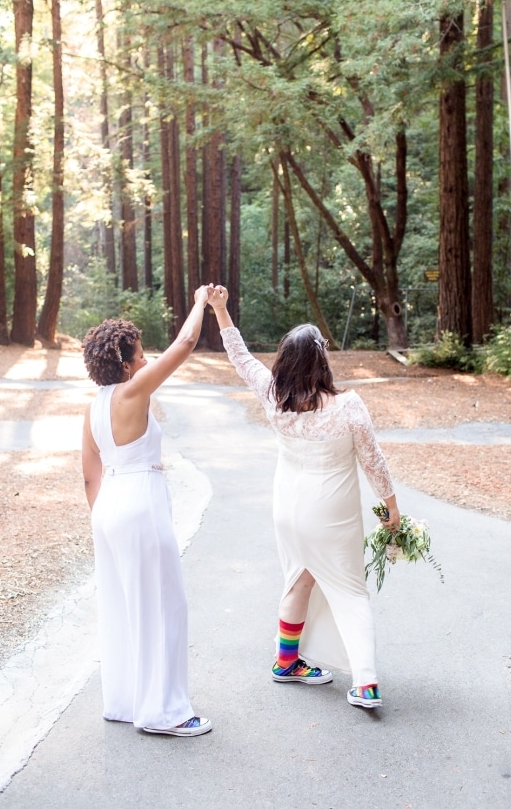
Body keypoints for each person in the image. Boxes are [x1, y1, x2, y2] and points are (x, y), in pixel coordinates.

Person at [207, 285, 401, 709]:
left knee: (300, 576)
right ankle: (366, 684)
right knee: (350, 590)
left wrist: (220, 310)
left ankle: (286, 661)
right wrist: (393, 513)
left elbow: (240, 357)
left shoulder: (273, 395)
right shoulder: (347, 406)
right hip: (330, 512)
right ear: (321, 360)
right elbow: (374, 462)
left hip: (287, 508)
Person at [81, 287, 212, 737]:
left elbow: (89, 474)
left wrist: (106, 514)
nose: (144, 360)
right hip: (139, 504)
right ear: (122, 364)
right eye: (139, 355)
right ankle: (164, 712)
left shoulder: (93, 407)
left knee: (122, 606)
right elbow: (186, 345)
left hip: (108, 508)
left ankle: (125, 700)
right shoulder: (132, 392)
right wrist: (200, 302)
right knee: (162, 606)